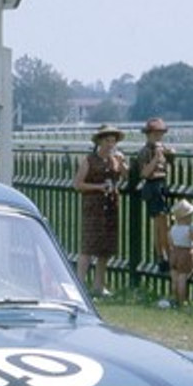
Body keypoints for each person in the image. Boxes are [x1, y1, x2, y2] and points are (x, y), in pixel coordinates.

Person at [73, 124, 127, 297]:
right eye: (107, 141)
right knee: (88, 247)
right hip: (93, 207)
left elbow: (126, 176)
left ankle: (98, 285)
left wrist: (122, 163)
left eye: (113, 141)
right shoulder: (90, 160)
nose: (110, 144)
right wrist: (98, 187)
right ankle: (80, 284)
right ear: (100, 142)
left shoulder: (115, 160)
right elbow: (78, 184)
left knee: (105, 249)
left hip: (110, 207)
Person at [133, 117, 176, 273]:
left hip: (161, 185)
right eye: (156, 133)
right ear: (148, 134)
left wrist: (169, 155)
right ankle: (164, 256)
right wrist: (157, 158)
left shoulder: (162, 148)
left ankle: (162, 257)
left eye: (161, 133)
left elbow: (168, 164)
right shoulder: (145, 152)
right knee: (161, 225)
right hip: (152, 186)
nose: (159, 137)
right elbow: (144, 173)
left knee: (162, 225)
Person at [166, 198, 193, 307]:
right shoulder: (188, 229)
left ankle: (174, 298)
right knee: (182, 279)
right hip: (185, 254)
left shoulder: (173, 229)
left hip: (174, 253)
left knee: (174, 279)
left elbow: (170, 241)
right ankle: (182, 301)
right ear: (186, 217)